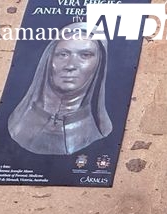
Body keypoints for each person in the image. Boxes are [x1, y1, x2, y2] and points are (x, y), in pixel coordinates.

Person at [8, 22, 112, 155]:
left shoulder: (95, 132)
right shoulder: (18, 123)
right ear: (49, 59)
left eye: (85, 55)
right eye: (63, 54)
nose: (70, 66)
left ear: (99, 63)